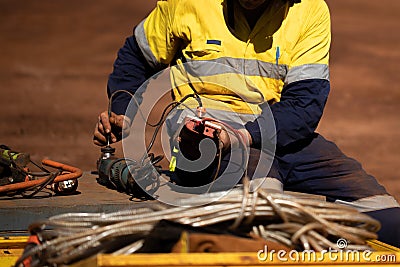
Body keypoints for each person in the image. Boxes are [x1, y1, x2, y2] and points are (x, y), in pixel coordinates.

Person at [93, 0, 400, 247]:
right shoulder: (187, 4)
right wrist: (125, 110)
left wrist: (243, 135)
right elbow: (135, 54)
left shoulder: (309, 9)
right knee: (264, 211)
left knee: (384, 214)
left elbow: (304, 105)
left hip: (283, 134)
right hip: (206, 137)